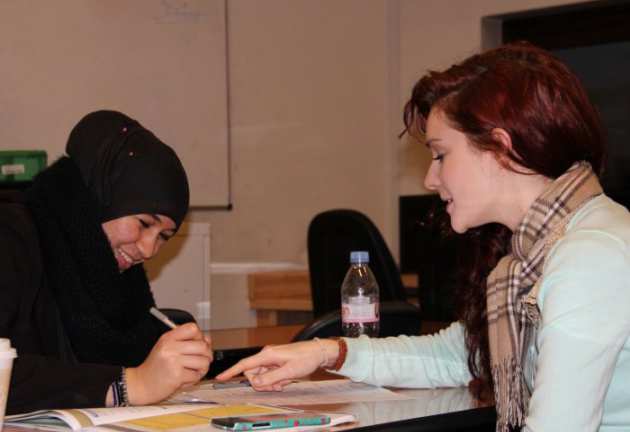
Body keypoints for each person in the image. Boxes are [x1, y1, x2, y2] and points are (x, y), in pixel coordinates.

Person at [217, 42, 630, 431]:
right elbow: (456, 356)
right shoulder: (537, 254)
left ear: (501, 150)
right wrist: (327, 352)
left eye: (441, 155)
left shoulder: (589, 257)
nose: (431, 179)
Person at [0, 110, 213, 414]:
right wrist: (129, 384)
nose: (149, 250)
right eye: (143, 223)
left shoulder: (113, 277)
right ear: (100, 198)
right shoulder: (10, 235)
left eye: (164, 236)